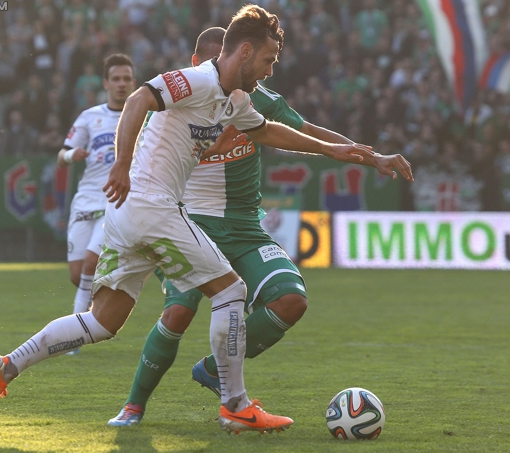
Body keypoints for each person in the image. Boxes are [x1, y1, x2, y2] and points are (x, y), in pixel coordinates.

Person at [0, 4, 380, 433]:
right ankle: (235, 405)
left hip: (128, 216)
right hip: (151, 204)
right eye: (268, 59)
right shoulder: (199, 80)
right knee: (231, 291)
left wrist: (332, 150)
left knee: (102, 321)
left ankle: (5, 367)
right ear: (243, 51)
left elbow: (266, 130)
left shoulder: (233, 98)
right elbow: (138, 99)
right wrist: (121, 165)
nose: (271, 70)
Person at [108, 27, 414, 427]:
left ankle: (216, 372)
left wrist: (370, 155)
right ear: (200, 64)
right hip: (191, 221)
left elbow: (307, 133)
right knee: (179, 311)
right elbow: (146, 129)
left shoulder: (254, 99)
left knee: (291, 300)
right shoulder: (180, 97)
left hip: (244, 226)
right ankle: (133, 406)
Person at [58, 54, 136, 324]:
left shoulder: (145, 118)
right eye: (116, 79)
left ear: (134, 82)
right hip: (85, 198)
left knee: (90, 264)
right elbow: (61, 154)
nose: (121, 84)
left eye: (127, 78)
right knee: (77, 274)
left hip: (117, 199)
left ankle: (75, 331)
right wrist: (72, 155)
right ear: (106, 83)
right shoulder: (90, 117)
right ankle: (97, 315)